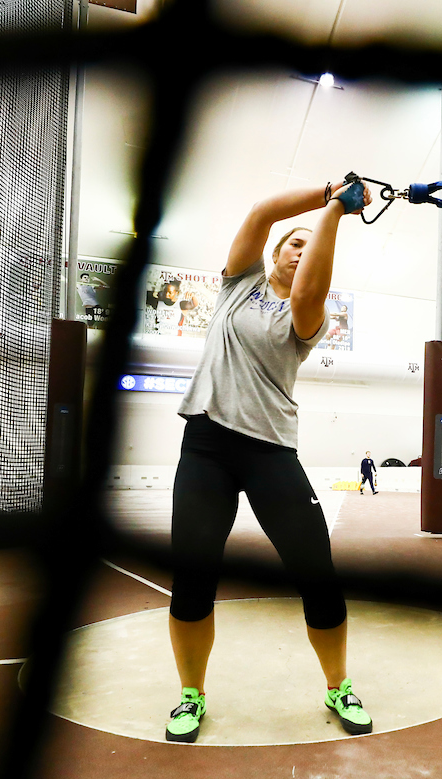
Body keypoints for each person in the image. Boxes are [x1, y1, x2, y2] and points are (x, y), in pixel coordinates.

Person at [164, 174, 374, 744]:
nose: (299, 250)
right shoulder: (239, 287)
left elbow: (308, 291)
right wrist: (327, 191)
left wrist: (333, 214)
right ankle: (191, 695)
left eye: (310, 247)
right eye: (292, 243)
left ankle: (338, 685)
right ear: (275, 253)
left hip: (270, 451)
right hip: (205, 445)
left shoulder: (309, 317)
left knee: (318, 575)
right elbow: (260, 212)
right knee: (192, 579)